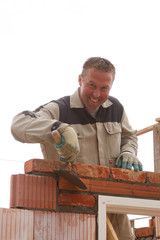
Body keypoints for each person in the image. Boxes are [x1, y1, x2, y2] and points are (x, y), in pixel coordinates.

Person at [11, 57, 142, 239]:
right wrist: (58, 128)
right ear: (80, 80)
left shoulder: (116, 109)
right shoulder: (60, 109)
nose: (96, 94)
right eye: (91, 85)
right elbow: (19, 125)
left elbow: (129, 136)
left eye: (104, 88)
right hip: (71, 210)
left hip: (113, 210)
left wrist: (128, 151)